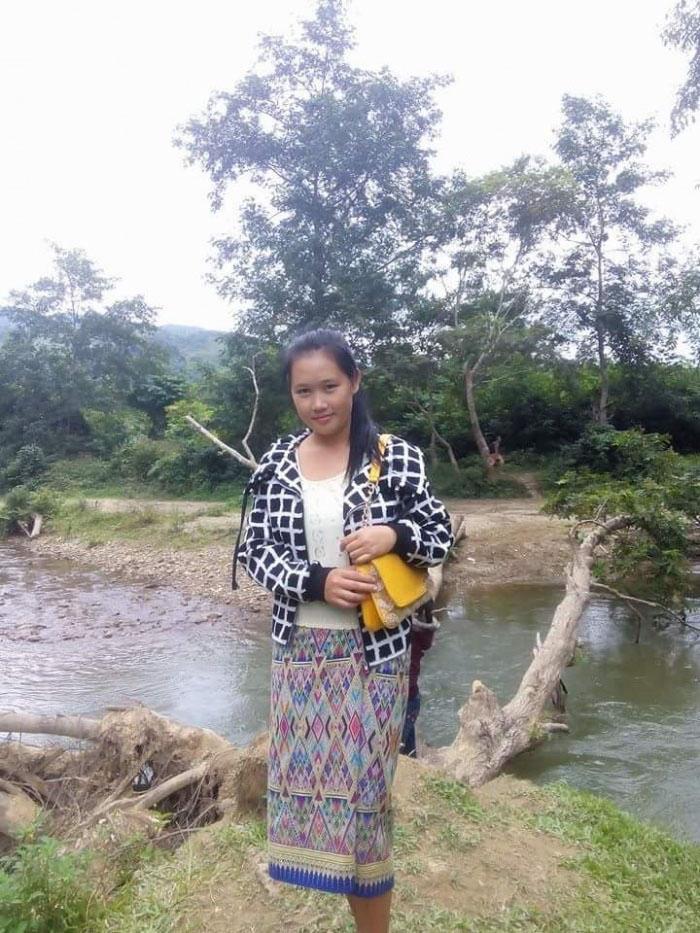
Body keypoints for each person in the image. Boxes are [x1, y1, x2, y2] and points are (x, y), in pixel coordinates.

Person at [233, 329, 453, 933]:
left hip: (374, 656)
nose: (318, 402)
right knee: (309, 795)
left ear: (355, 381)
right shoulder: (278, 461)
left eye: (329, 386)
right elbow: (255, 550)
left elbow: (439, 537)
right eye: (303, 391)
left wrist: (394, 534)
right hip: (300, 657)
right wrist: (316, 581)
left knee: (367, 807)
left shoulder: (394, 456)